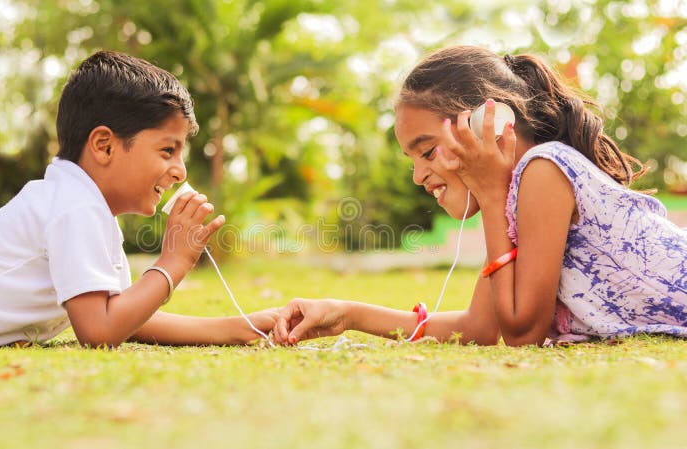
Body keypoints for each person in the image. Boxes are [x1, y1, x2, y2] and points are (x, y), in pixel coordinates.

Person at [274, 46, 687, 347]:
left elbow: (521, 332)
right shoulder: (522, 193)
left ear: (488, 123)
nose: (419, 175)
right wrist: (347, 314)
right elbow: (479, 326)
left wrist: (490, 196)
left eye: (427, 150)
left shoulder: (545, 170)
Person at [0, 50, 277, 348]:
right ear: (104, 145)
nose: (180, 171)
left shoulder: (84, 206)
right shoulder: (75, 206)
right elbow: (100, 330)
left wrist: (246, 327)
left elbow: (126, 315)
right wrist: (173, 261)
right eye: (167, 151)